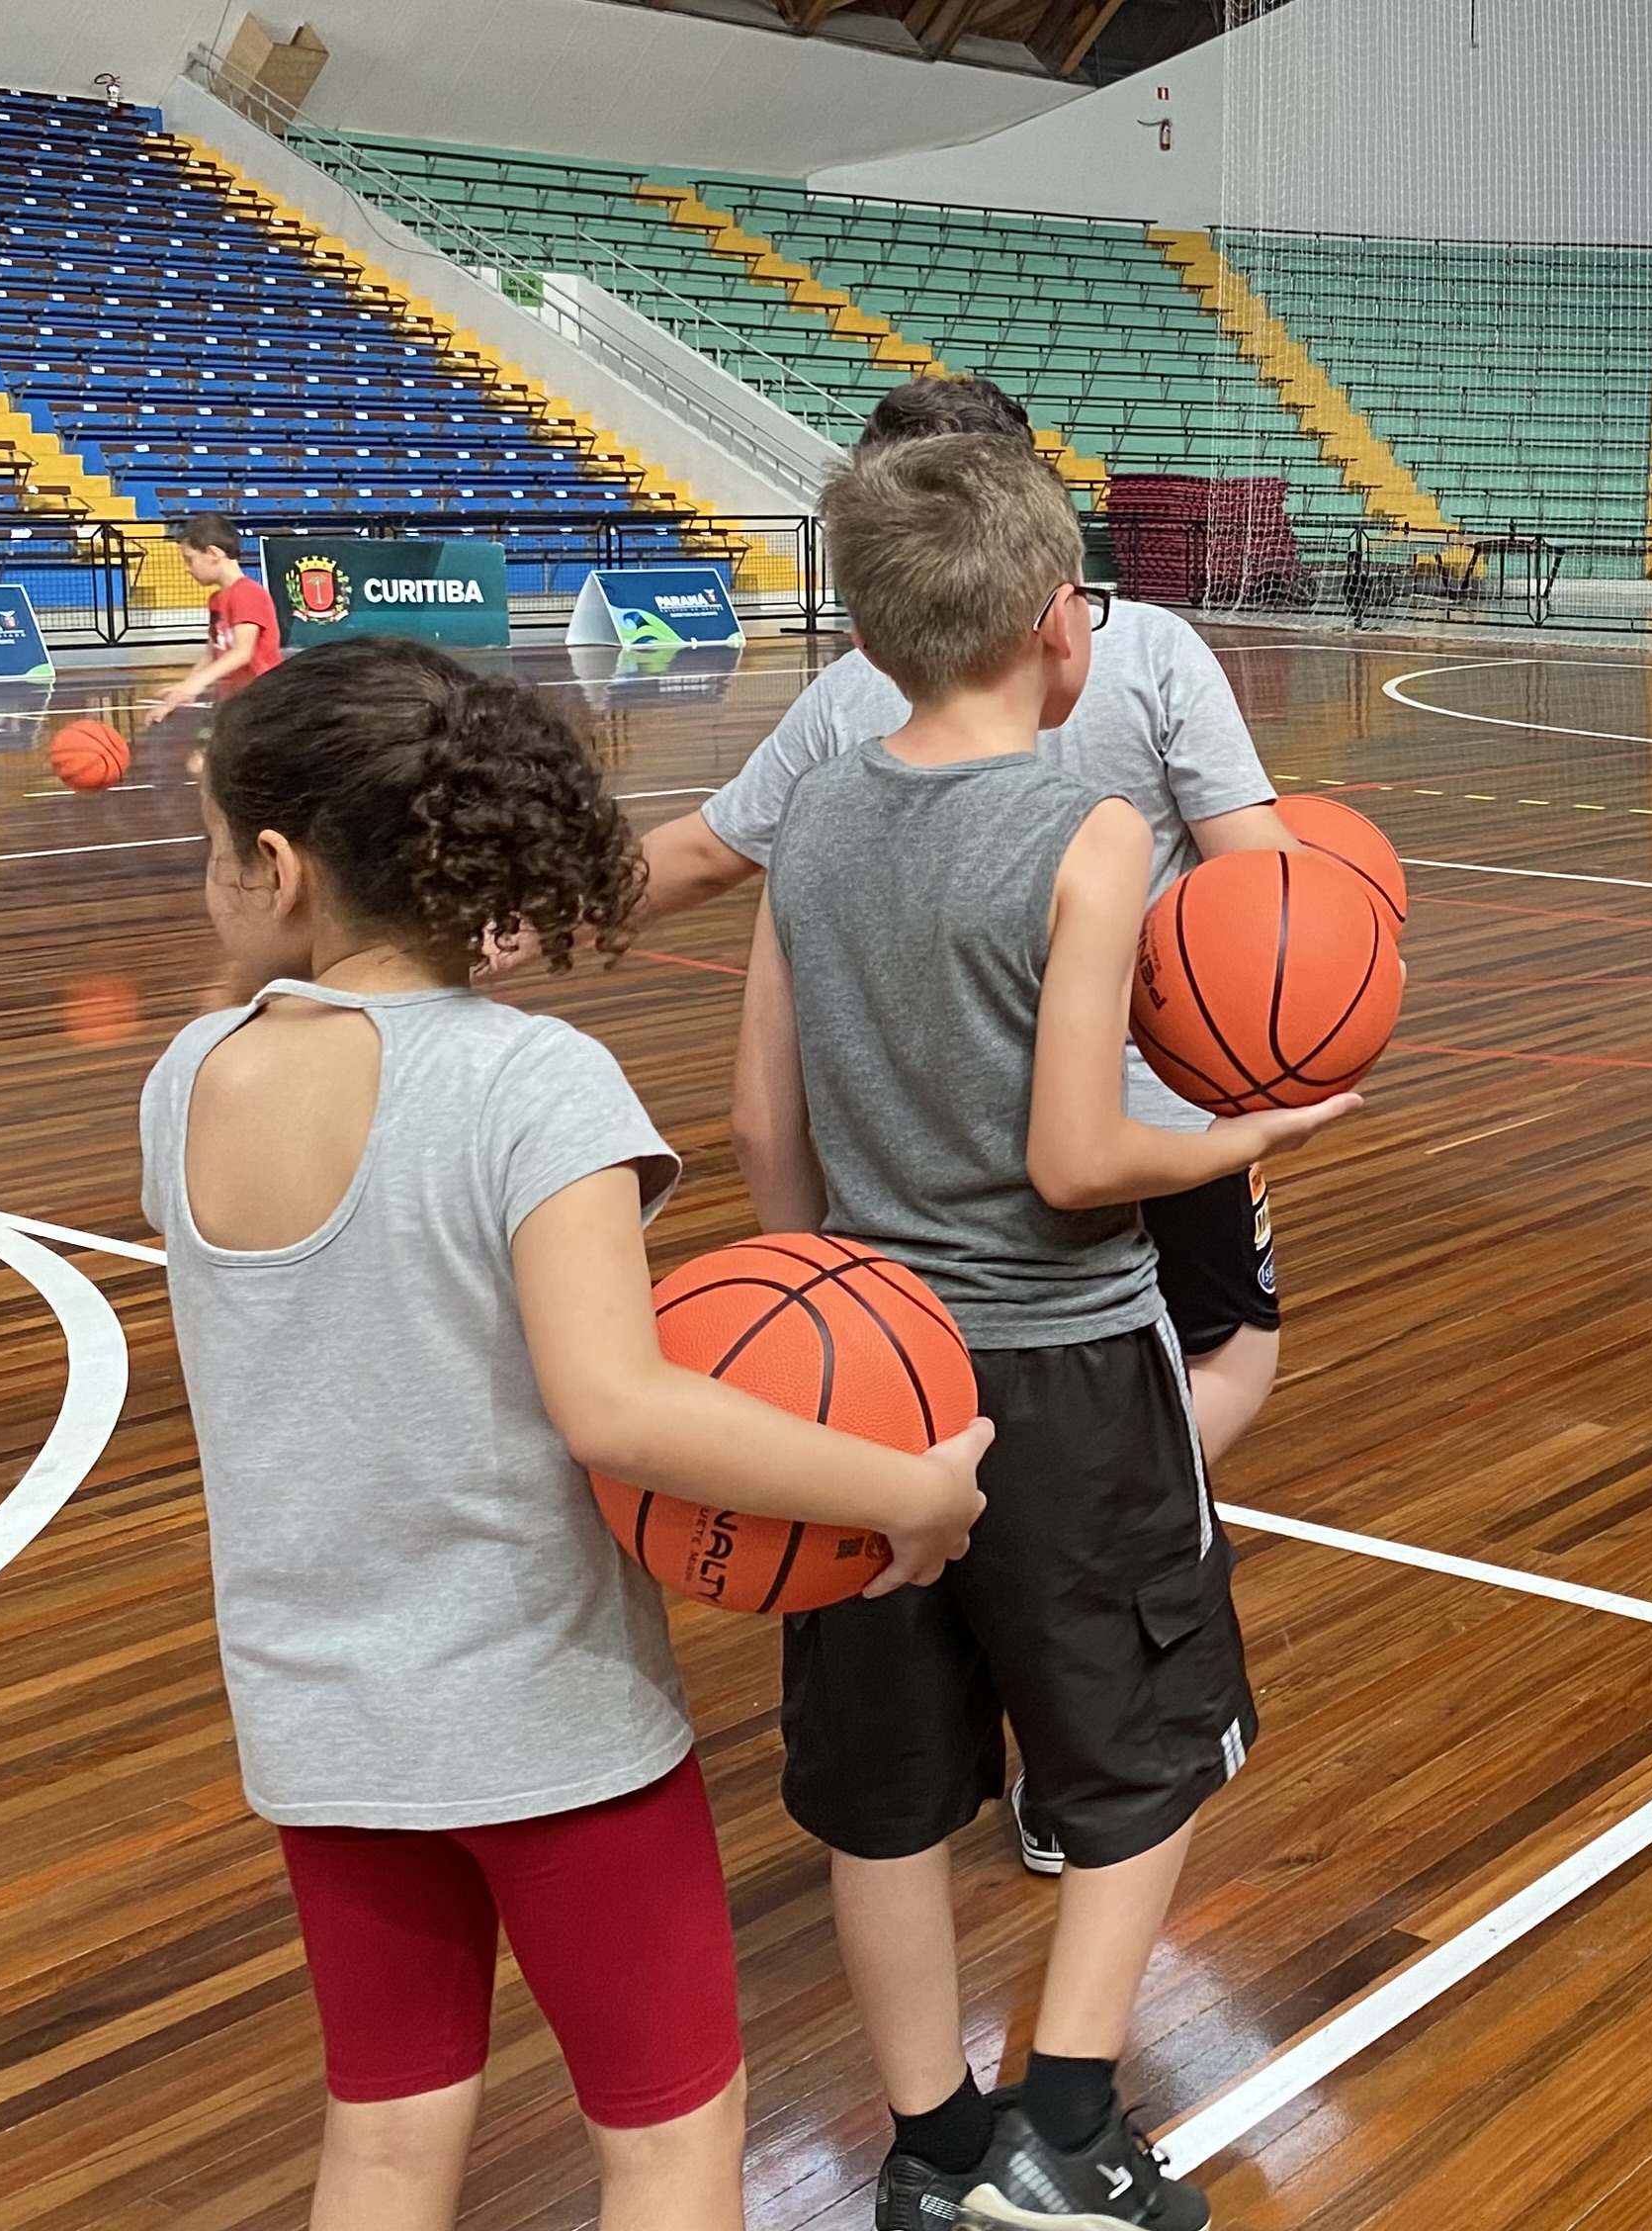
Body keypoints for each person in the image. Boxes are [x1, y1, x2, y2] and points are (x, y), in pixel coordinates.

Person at [139, 637, 989, 2231]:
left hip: (320, 1728)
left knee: (385, 2132)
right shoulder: (535, 1082)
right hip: (547, 1724)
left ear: (276, 868)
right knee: (669, 2141)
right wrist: (910, 1490)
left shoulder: (188, 1080)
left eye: (212, 850)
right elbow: (621, 1404)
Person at [733, 432, 1356, 2230]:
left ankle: (927, 2157)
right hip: (1067, 1371)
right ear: (1060, 629)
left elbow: (766, 1122)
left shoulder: (817, 812)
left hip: (862, 1371)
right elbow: (1077, 1156)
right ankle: (1064, 2134)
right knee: (1142, 1751)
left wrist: (825, 1293)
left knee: (885, 1790)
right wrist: (1251, 1131)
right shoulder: (1088, 833)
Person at [625, 377, 1299, 1880]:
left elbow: (709, 891)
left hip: (882, 1223)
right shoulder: (1151, 667)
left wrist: (481, 922)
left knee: (902, 1525)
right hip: (1135, 1148)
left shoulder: (843, 726)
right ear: (1056, 593)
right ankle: (1081, 1704)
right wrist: (1274, 1082)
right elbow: (1266, 887)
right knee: (1227, 1358)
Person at [143, 512, 285, 727]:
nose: (187, 568)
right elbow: (213, 651)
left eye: (190, 560)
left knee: (210, 760)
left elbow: (242, 652)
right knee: (201, 760)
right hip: (230, 701)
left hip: (261, 702)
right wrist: (184, 690)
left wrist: (196, 684)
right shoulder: (217, 599)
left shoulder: (248, 593)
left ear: (213, 553)